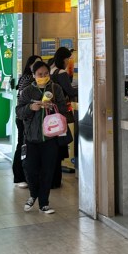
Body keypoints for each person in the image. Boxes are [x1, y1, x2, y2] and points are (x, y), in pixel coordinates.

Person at [17, 60, 68, 214]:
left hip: (50, 138)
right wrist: (31, 107)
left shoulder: (55, 88)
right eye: (40, 74)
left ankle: (44, 203)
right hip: (31, 137)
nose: (43, 76)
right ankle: (33, 194)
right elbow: (19, 112)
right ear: (33, 75)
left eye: (46, 73)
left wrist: (53, 107)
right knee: (30, 168)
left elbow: (64, 108)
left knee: (48, 170)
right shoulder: (27, 91)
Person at [12, 55, 42, 187]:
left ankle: (26, 176)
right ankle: (19, 177)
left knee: (25, 146)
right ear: (30, 65)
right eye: (36, 63)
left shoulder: (26, 77)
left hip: (28, 117)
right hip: (24, 117)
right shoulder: (28, 79)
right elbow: (24, 99)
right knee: (22, 146)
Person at [48, 47, 77, 181]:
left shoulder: (50, 70)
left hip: (50, 112)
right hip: (60, 111)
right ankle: (56, 177)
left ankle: (52, 175)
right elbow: (70, 91)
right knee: (61, 142)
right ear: (64, 59)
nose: (68, 62)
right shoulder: (61, 73)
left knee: (53, 142)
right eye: (68, 59)